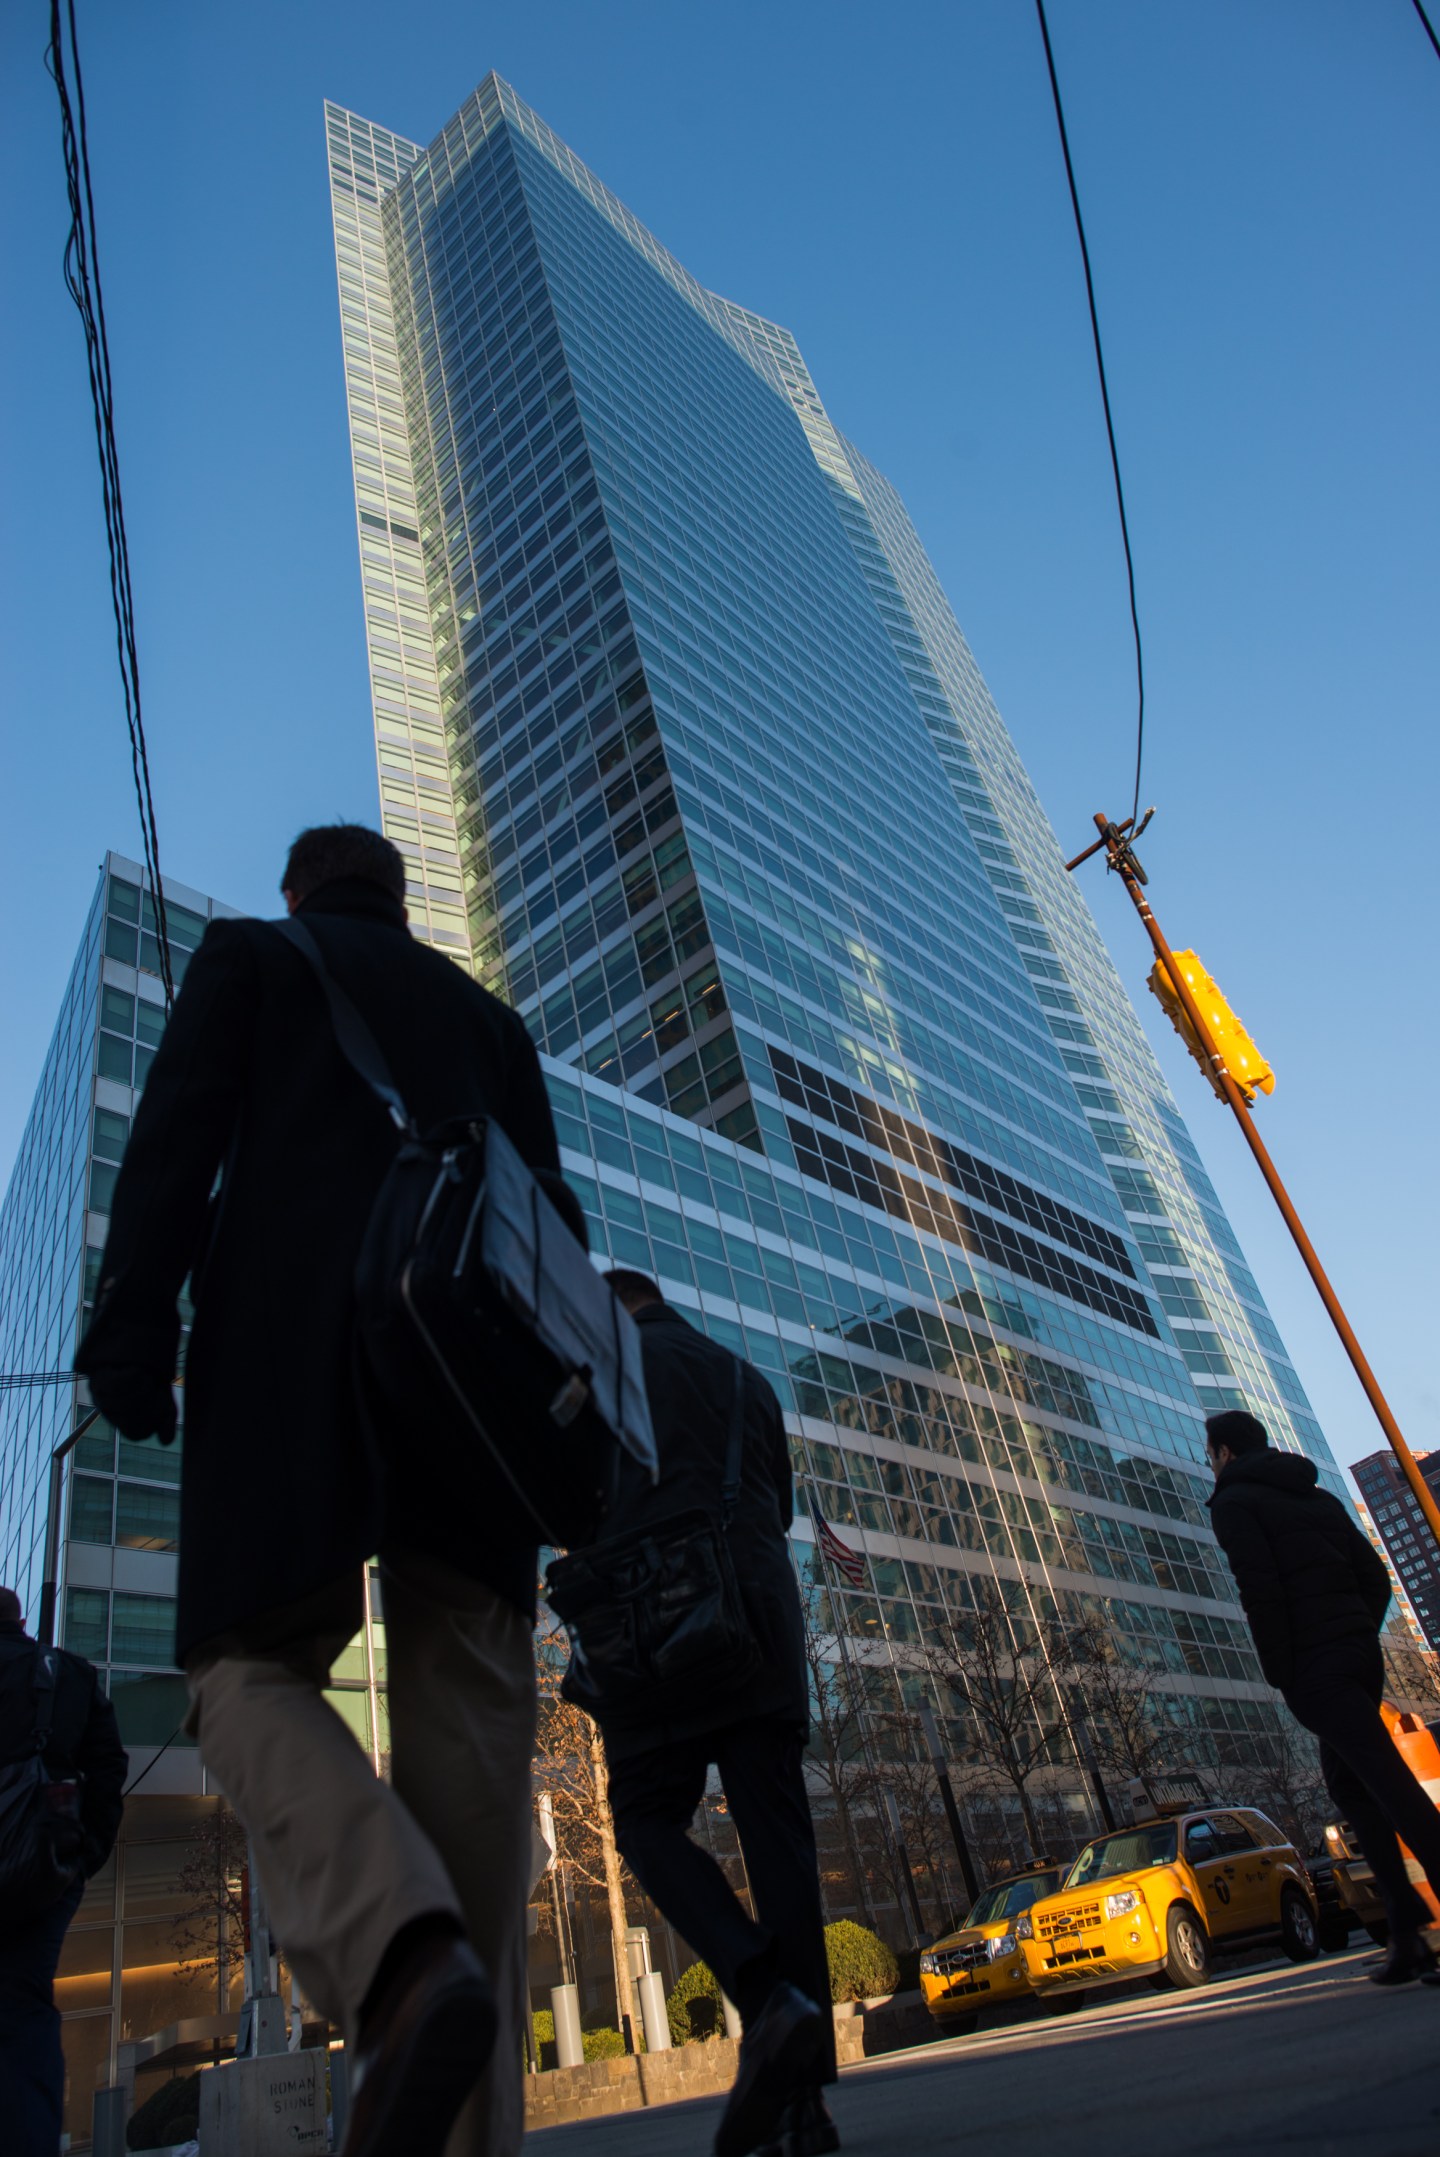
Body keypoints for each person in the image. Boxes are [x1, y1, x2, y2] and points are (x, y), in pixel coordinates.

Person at [74, 825, 565, 2157]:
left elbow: (174, 1142)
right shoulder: (493, 1027)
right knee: (470, 1733)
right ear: (399, 904)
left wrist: (130, 1335)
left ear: (302, 892)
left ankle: (405, 1960)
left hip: (294, 1370)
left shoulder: (252, 960)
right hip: (472, 1395)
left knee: (245, 1673)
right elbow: (555, 1233)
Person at [592, 1273, 838, 2157]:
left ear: (610, 1309)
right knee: (780, 1841)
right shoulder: (748, 1377)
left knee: (647, 1819)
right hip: (758, 1620)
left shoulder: (598, 1369)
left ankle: (764, 1988)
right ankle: (803, 2106)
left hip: (651, 1626)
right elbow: (776, 1501)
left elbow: (560, 1497)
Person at [1205, 1408, 1440, 1986]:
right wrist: (1358, 1630)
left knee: (1390, 1784)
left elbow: (1259, 1589)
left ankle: (1422, 1922)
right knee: (1350, 1786)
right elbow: (1375, 1575)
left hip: (1315, 1666)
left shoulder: (1235, 1504)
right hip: (1358, 1657)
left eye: (1210, 1454)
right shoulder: (1319, 1498)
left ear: (1225, 1454)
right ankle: (1406, 1931)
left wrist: (1283, 1669)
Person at [0, 1585, 127, 2154]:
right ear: (21, 1620)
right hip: (42, 1872)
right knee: (24, 2005)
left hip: (48, 1870)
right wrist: (80, 1861)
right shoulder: (68, 1674)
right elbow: (107, 1769)